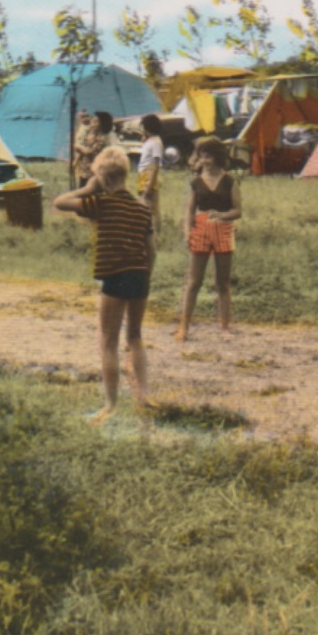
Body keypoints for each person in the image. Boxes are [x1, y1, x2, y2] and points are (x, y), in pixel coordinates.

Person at [53, 146, 155, 424]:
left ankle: (110, 405)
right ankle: (144, 396)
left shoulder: (101, 203)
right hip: (140, 275)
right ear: (126, 174)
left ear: (101, 177)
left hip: (115, 275)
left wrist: (88, 189)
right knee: (135, 336)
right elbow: (151, 249)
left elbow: (60, 202)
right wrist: (146, 276)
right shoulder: (141, 209)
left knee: (108, 341)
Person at [174, 137, 241, 342]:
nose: (205, 160)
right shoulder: (196, 182)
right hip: (201, 228)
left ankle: (225, 326)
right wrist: (187, 232)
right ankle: (183, 327)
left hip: (223, 229)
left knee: (223, 282)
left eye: (209, 156)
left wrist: (223, 216)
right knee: (194, 281)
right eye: (202, 156)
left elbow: (237, 210)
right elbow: (189, 210)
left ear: (217, 157)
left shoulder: (229, 181)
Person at [135, 113, 165, 231]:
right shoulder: (150, 141)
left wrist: (149, 185)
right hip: (143, 175)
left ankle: (154, 231)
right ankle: (150, 230)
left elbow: (155, 165)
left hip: (148, 175)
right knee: (146, 205)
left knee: (150, 207)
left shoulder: (156, 142)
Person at [74, 110, 114, 187]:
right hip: (85, 168)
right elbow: (77, 144)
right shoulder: (88, 131)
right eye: (93, 119)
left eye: (96, 121)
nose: (93, 121)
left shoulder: (102, 137)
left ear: (102, 125)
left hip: (95, 170)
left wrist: (83, 149)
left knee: (93, 188)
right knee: (83, 185)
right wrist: (80, 148)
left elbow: (92, 150)